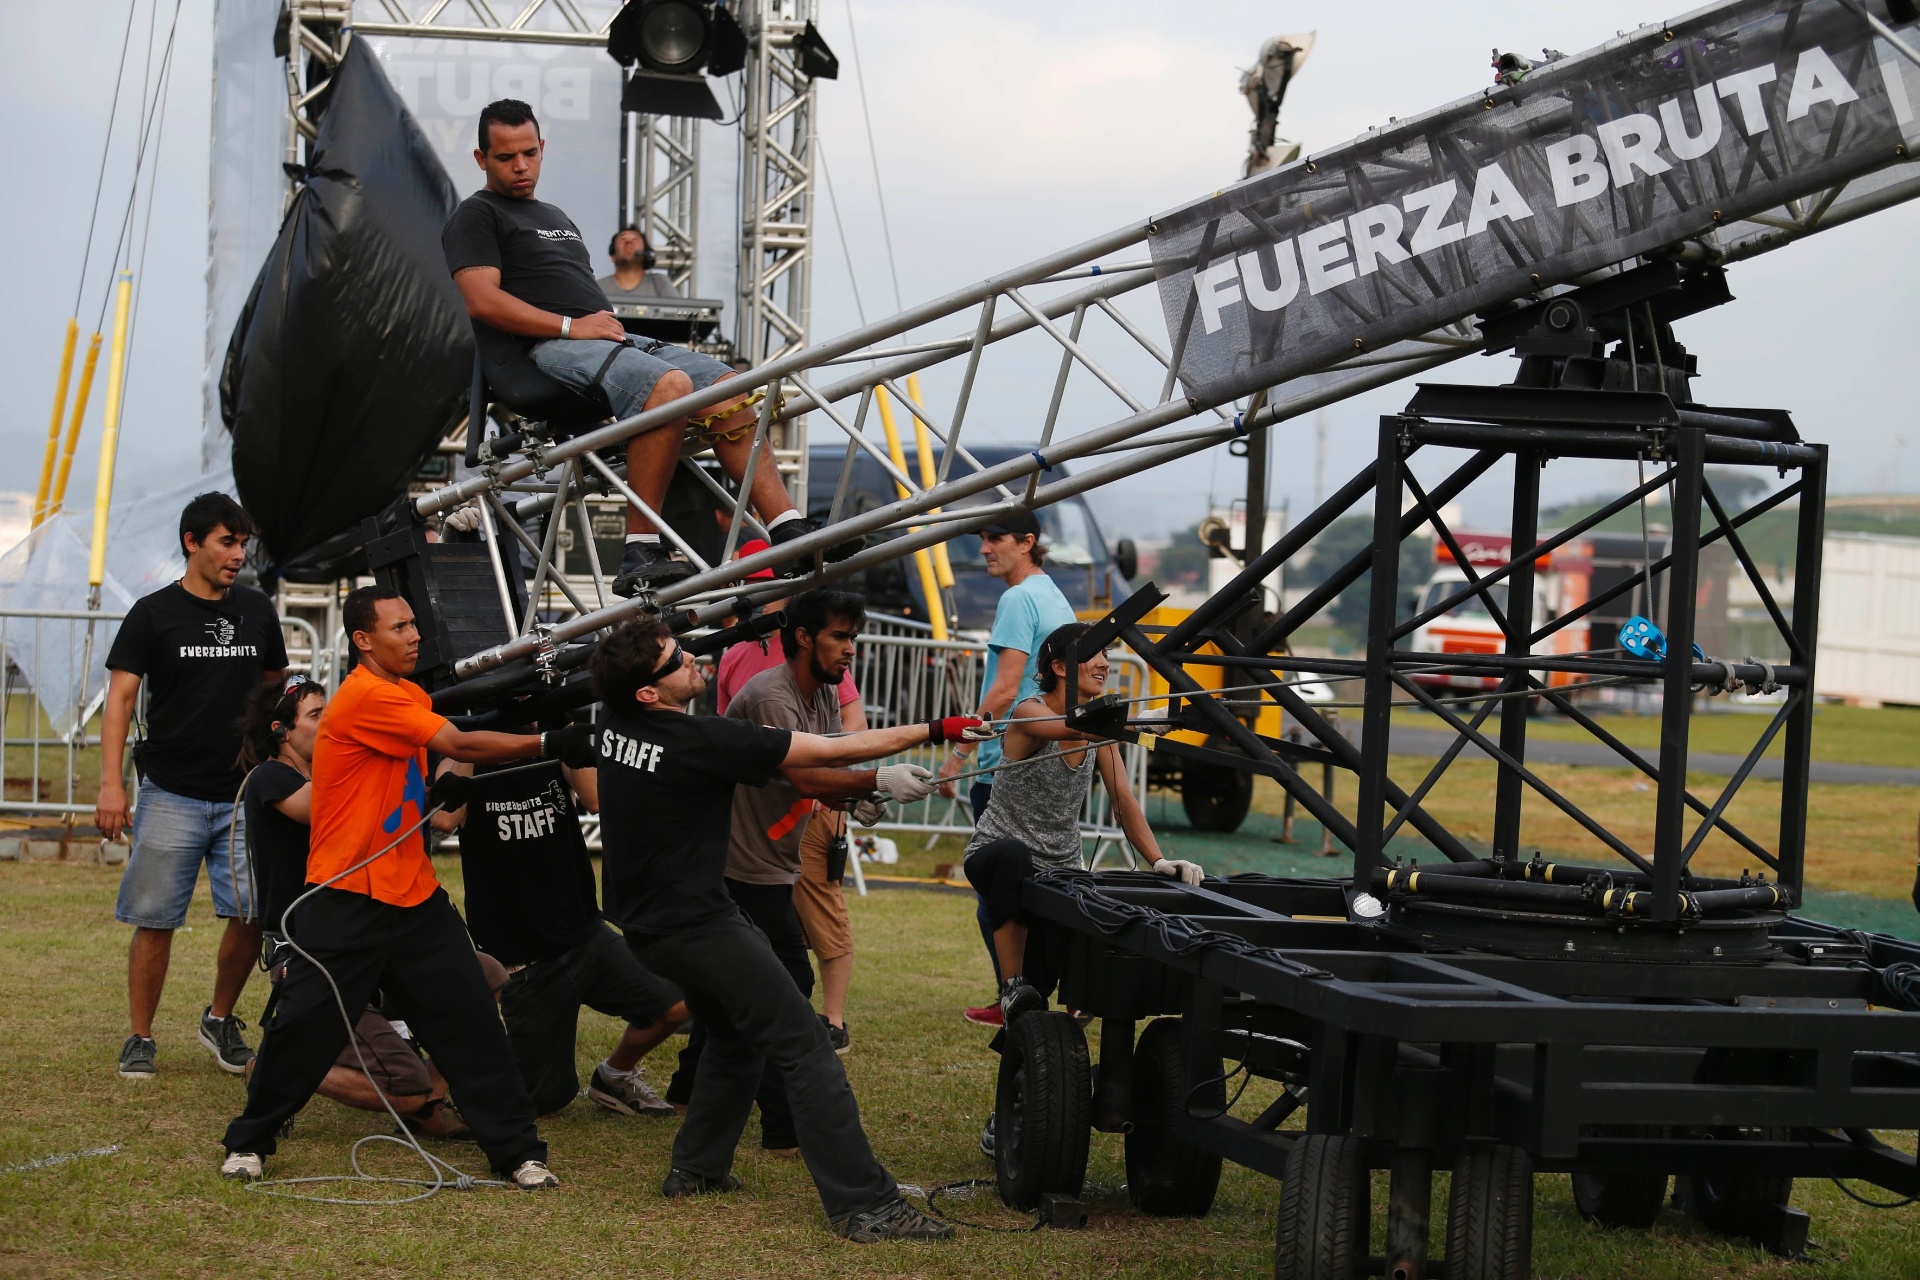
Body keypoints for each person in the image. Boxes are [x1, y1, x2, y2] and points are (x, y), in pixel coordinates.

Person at [586, 613, 986, 1240]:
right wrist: (934, 731)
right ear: (648, 692)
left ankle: (696, 1169)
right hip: (696, 924)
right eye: (675, 659)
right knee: (804, 1047)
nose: (692, 660)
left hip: (646, 928)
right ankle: (867, 1204)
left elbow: (560, 742)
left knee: (732, 1031)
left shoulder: (611, 724)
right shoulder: (704, 740)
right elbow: (831, 749)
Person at [219, 586, 588, 1190]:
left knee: (471, 1023)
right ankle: (250, 1142)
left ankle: (518, 1151)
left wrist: (440, 790)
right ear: (363, 640)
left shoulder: (406, 695)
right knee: (302, 1030)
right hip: (343, 897)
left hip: (413, 897)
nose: (415, 635)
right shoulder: (363, 698)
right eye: (399, 627)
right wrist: (552, 741)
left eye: (415, 624)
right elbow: (463, 743)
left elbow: (421, 768)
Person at [442, 98, 855, 596]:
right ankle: (641, 549)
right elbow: (482, 301)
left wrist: (593, 328)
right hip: (543, 353)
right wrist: (573, 327)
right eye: (506, 157)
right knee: (669, 386)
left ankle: (786, 527)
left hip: (604, 337)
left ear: (542, 147)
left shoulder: (553, 214)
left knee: (730, 386)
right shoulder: (476, 215)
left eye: (529, 153)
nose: (521, 166)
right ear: (481, 158)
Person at [99, 492, 287, 1081]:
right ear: (192, 542)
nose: (238, 555)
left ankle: (219, 1018)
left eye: (243, 544)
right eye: (227, 542)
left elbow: (275, 689)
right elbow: (120, 700)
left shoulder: (257, 610)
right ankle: (140, 1036)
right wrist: (111, 785)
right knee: (155, 919)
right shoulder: (152, 614)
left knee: (253, 911)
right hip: (171, 790)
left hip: (242, 794)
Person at [964, 622, 1203, 1025]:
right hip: (996, 855)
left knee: (1045, 985)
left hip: (1060, 870)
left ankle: (1028, 1035)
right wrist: (1138, 721)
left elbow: (1124, 802)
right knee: (1013, 856)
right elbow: (1069, 726)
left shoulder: (1099, 733)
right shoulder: (1029, 711)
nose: (1105, 663)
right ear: (1060, 667)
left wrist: (1159, 861)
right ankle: (1009, 986)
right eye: (1095, 653)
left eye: (1108, 653)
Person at [433, 755, 687, 1117]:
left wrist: (559, 728)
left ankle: (614, 1075)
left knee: (675, 1004)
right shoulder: (462, 758)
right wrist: (471, 743)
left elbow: (595, 798)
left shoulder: (553, 748)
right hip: (526, 963)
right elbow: (444, 819)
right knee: (544, 1099)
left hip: (587, 938)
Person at [933, 509, 1077, 1026]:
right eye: (983, 539)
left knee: (996, 890)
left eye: (995, 539)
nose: (985, 549)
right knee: (1038, 889)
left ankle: (1016, 997)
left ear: (1027, 542)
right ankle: (1041, 993)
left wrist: (958, 754)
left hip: (1004, 764)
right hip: (1046, 758)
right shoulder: (1053, 593)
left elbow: (1002, 686)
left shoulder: (1018, 597)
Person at [715, 598, 868, 1047]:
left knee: (738, 990)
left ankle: (697, 1087)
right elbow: (804, 778)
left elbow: (833, 761)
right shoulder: (771, 696)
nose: (850, 649)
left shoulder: (822, 691)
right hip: (739, 863)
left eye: (852, 638)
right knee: (786, 979)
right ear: (802, 637)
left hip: (774, 859)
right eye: (839, 637)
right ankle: (775, 1087)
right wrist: (873, 783)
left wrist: (861, 793)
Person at [597, 225, 675, 304]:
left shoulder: (659, 283)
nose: (629, 242)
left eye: (635, 239)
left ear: (645, 253)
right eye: (622, 239)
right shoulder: (598, 288)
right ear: (613, 257)